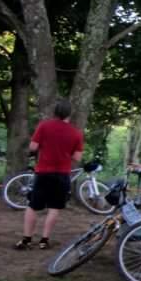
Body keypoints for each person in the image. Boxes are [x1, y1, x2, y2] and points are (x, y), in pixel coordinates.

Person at [15, 99, 84, 250]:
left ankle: (26, 239)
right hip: (62, 174)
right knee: (54, 207)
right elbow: (77, 157)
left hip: (43, 172)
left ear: (55, 112)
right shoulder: (76, 133)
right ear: (69, 114)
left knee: (33, 206)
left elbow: (33, 146)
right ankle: (44, 240)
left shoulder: (44, 126)